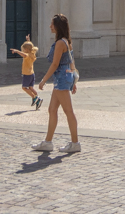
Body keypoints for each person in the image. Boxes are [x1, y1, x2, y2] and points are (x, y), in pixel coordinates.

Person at [32, 14, 80, 154]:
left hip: (61, 78)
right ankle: (48, 142)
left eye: (52, 24)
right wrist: (73, 80)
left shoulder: (60, 43)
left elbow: (55, 63)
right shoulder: (66, 41)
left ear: (57, 26)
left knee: (68, 111)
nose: (50, 26)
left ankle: (75, 143)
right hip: (65, 77)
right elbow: (71, 62)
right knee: (52, 110)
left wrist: (43, 80)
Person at [10, 36, 41, 110]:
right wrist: (28, 41)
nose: (23, 50)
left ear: (26, 49)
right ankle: (37, 99)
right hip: (32, 74)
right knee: (31, 88)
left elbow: (24, 54)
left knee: (24, 87)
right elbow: (30, 48)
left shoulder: (27, 55)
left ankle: (35, 97)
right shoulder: (32, 54)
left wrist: (17, 51)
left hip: (27, 74)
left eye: (24, 49)